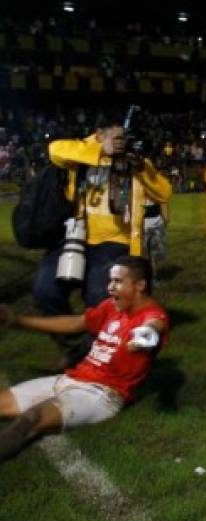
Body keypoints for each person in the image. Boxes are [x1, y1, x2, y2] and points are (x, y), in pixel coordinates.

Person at [0, 257, 169, 463]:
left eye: (117, 281)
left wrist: (144, 337)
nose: (110, 287)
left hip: (101, 395)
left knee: (31, 420)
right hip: (71, 379)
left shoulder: (153, 315)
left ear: (140, 285)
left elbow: (154, 326)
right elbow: (75, 323)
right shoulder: (111, 307)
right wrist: (17, 320)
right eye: (110, 281)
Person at [33, 120, 171, 366]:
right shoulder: (82, 152)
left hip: (115, 241)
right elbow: (54, 149)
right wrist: (99, 150)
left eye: (123, 138)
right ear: (98, 135)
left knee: (100, 297)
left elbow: (164, 193)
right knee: (45, 290)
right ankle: (73, 346)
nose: (120, 143)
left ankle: (93, 354)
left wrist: (141, 168)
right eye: (115, 137)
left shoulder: (132, 161)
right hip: (75, 236)